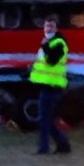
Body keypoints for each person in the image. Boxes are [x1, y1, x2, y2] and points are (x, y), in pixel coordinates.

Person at [29, 16, 71, 155]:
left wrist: (45, 45)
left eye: (51, 26)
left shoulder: (58, 43)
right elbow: (43, 64)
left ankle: (44, 148)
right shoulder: (48, 43)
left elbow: (52, 61)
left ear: (57, 28)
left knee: (44, 119)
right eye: (47, 26)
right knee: (46, 119)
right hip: (46, 86)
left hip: (52, 87)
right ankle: (62, 145)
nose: (48, 29)